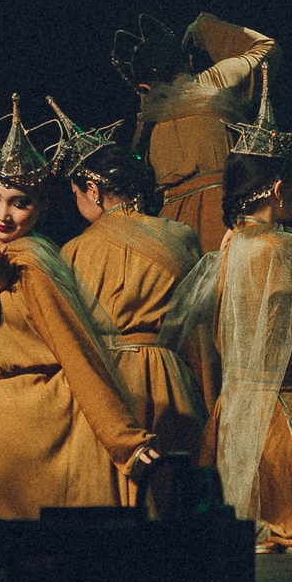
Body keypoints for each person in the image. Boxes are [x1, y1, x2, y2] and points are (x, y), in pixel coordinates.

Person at [0, 98, 161, 516]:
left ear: (41, 208)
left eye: (19, 202)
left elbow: (76, 352)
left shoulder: (33, 264)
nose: (1, 214)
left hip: (45, 401)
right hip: (8, 398)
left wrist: (126, 442)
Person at [167, 75, 292, 548]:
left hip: (229, 415)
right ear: (277, 188)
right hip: (275, 414)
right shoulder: (283, 247)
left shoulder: (229, 248)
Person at [52, 98, 211, 504]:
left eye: (76, 193)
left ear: (93, 190)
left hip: (104, 383)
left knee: (111, 503)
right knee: (171, 503)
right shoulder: (179, 235)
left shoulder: (71, 251)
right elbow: (199, 325)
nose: (77, 202)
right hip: (168, 379)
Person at [111, 12, 274, 252]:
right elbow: (267, 48)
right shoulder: (213, 83)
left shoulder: (146, 127)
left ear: (143, 87)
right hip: (230, 216)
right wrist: (204, 28)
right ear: (187, 60)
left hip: (172, 235)